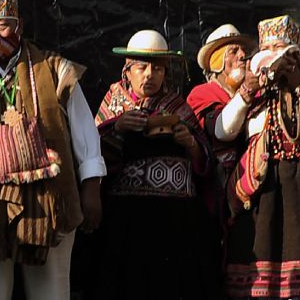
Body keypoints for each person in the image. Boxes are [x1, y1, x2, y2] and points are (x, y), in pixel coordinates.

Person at [0, 0, 105, 300]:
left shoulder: (53, 69)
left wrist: (91, 187)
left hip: (51, 203)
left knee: (51, 293)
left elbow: (84, 129)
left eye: (3, 25)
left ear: (19, 24)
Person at [92, 29, 217, 300]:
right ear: (127, 71)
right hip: (127, 221)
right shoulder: (114, 102)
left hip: (176, 222)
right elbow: (92, 155)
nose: (150, 74)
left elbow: (206, 159)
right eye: (142, 67)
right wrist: (117, 128)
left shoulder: (178, 106)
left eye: (158, 68)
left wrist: (190, 143)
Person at [225, 15, 300, 299]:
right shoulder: (253, 93)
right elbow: (224, 131)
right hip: (263, 191)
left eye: (281, 53)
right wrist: (247, 91)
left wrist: (299, 86)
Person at [186, 24, 257, 221]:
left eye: (244, 51)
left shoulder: (259, 95)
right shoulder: (202, 95)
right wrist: (246, 94)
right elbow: (222, 130)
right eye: (233, 51)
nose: (242, 55)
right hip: (215, 195)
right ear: (217, 62)